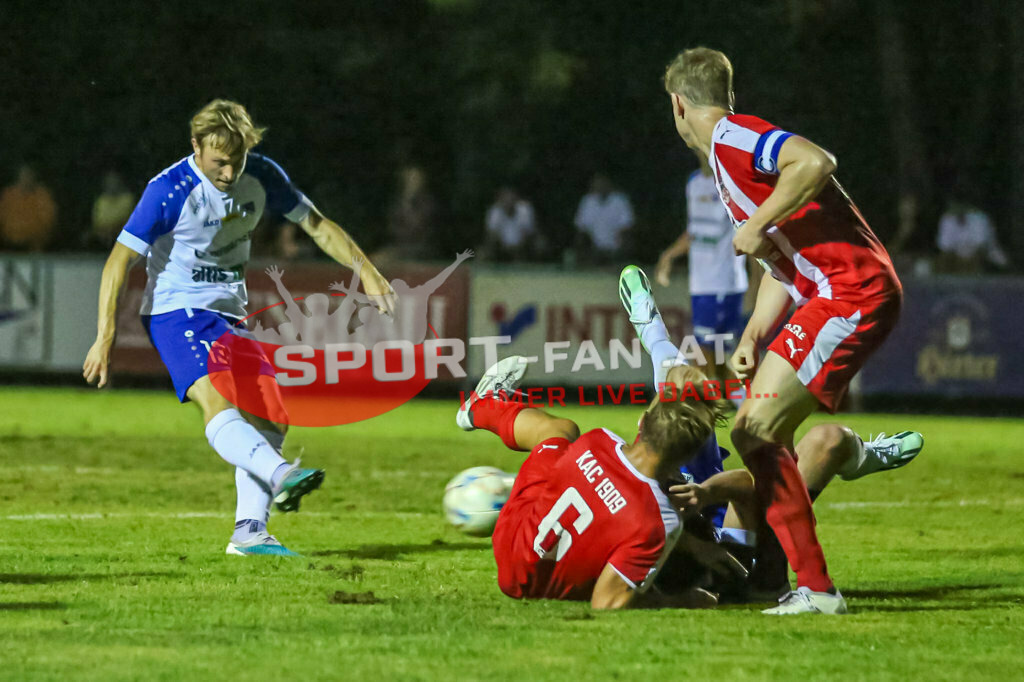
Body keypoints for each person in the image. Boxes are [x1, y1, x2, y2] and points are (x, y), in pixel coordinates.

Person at [82, 99, 395, 556]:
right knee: (216, 398)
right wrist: (105, 336)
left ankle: (249, 533)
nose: (229, 173)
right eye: (219, 162)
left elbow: (316, 225)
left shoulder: (263, 175)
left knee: (271, 412)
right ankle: (281, 474)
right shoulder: (169, 190)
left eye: (237, 160)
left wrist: (366, 270)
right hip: (175, 311)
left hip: (228, 313)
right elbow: (118, 261)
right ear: (196, 146)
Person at [662, 48, 904, 614]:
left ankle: (816, 587)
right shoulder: (727, 162)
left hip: (850, 290)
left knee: (753, 429)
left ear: (678, 105)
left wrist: (756, 220)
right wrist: (753, 334)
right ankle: (772, 576)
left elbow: (817, 161)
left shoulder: (732, 138)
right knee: (766, 434)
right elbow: (781, 263)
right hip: (830, 291)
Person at [620, 265, 923, 605]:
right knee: (829, 441)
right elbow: (749, 486)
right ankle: (861, 457)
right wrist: (705, 494)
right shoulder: (731, 561)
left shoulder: (641, 514)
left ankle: (652, 331)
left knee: (678, 382)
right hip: (740, 521)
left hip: (681, 474)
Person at [457, 355, 729, 609]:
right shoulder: (660, 520)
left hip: (510, 536)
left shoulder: (598, 440)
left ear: (642, 421)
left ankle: (484, 405)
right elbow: (607, 602)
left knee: (560, 431)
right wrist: (684, 599)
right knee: (625, 518)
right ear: (688, 454)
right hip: (534, 584)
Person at [655, 158, 752, 401]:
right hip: (700, 285)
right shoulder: (694, 183)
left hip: (724, 284)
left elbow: (750, 229)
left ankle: (704, 409)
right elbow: (694, 231)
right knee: (716, 358)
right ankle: (745, 408)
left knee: (704, 356)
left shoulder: (731, 182)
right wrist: (669, 256)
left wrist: (758, 282)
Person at [936, 198, 1009, 273]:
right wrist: (959, 255)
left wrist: (967, 255)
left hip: (986, 250)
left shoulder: (979, 218)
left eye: (959, 206)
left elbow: (981, 243)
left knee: (1001, 261)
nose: (956, 209)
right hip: (957, 252)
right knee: (944, 259)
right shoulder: (947, 219)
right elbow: (944, 245)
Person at [573, 173, 634, 263]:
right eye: (597, 182)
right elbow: (581, 227)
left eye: (602, 182)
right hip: (594, 248)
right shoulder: (588, 201)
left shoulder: (620, 200)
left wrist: (619, 247)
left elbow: (627, 225)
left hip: (616, 248)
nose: (600, 185)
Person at [0, 164, 57, 252]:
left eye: (29, 176)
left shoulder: (43, 197)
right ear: (18, 177)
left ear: (34, 178)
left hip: (34, 247)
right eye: (24, 176)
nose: (26, 179)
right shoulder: (8, 195)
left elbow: (48, 223)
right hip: (8, 245)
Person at [482, 187, 537, 262]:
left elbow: (527, 231)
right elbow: (492, 233)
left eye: (511, 198)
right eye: (505, 199)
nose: (508, 201)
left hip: (522, 244)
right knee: (486, 247)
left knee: (539, 244)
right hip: (501, 245)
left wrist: (519, 246)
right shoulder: (495, 211)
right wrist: (503, 245)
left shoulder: (524, 209)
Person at [89, 171, 135, 250]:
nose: (112, 184)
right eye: (109, 182)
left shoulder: (128, 198)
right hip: (102, 233)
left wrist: (113, 229)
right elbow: (97, 222)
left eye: (114, 181)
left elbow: (127, 221)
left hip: (120, 233)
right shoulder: (102, 200)